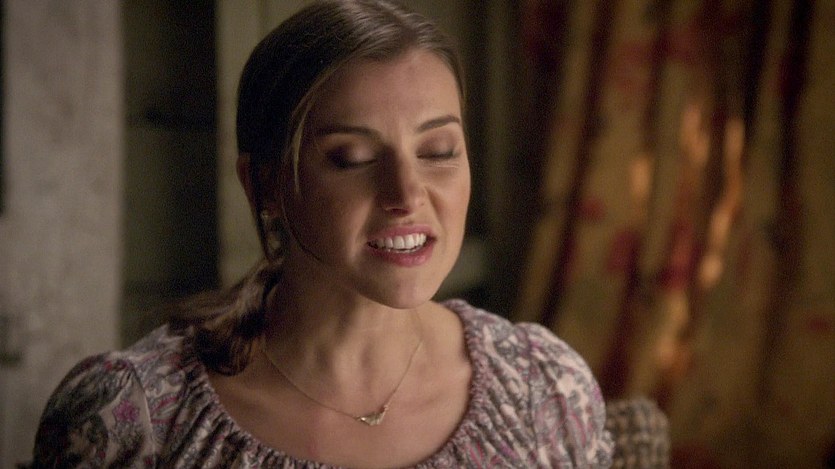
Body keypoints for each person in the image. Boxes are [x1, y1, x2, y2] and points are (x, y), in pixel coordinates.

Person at [31, 1, 613, 467]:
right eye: (351, 158)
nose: (407, 195)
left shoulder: (544, 390)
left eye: (438, 152)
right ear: (265, 186)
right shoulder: (133, 422)